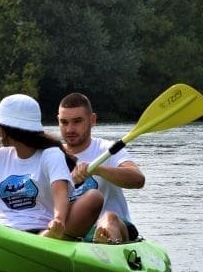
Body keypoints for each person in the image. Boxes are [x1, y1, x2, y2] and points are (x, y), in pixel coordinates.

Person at [0, 94, 102, 240]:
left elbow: (60, 194)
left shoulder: (51, 155)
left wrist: (58, 220)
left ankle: (52, 239)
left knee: (94, 197)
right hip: (3, 232)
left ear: (13, 129)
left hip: (41, 233)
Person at [57, 92, 146, 244]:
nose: (70, 129)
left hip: (113, 226)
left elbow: (138, 180)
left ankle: (105, 244)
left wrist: (97, 169)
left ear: (92, 120)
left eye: (77, 121)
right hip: (72, 229)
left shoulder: (107, 149)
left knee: (109, 217)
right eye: (64, 122)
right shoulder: (52, 155)